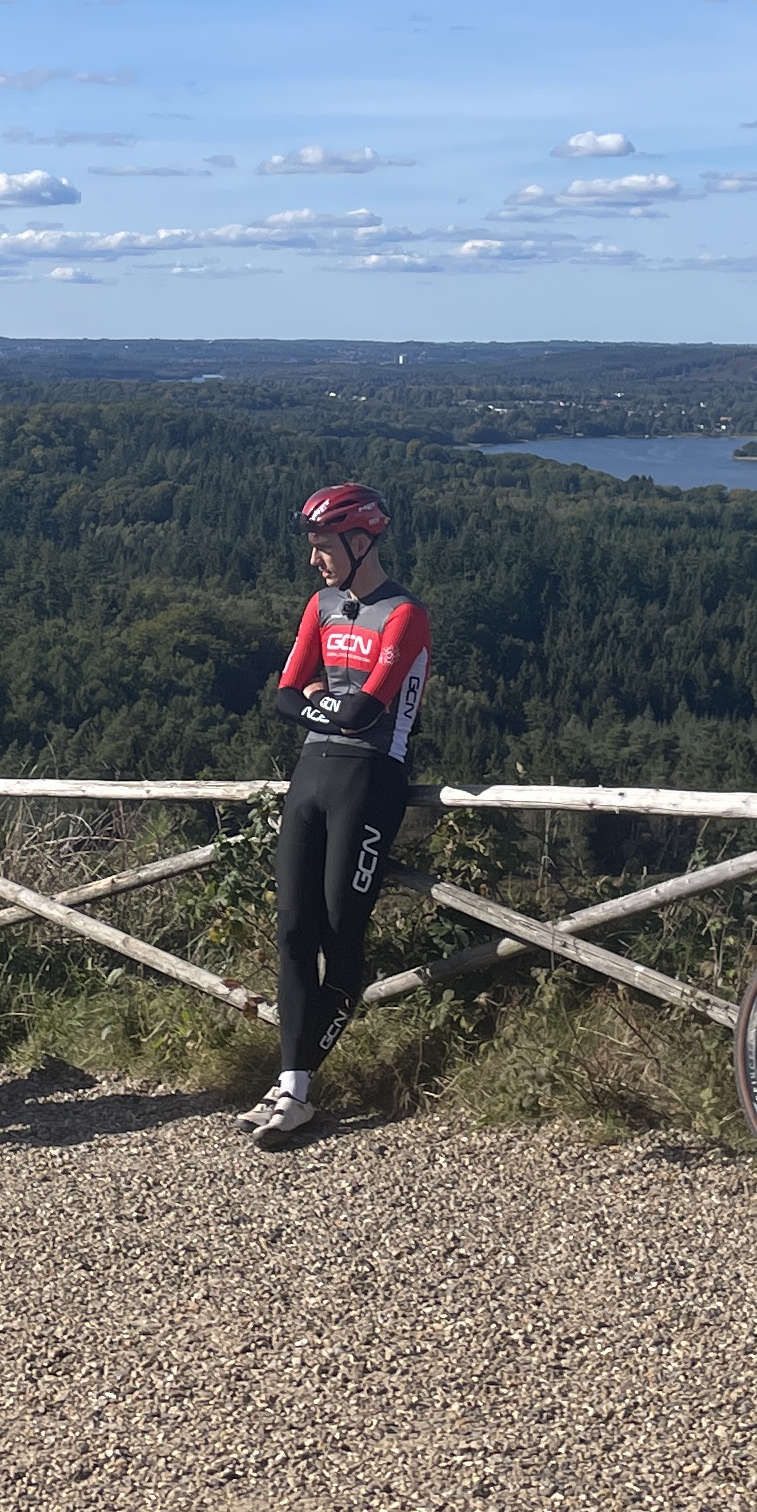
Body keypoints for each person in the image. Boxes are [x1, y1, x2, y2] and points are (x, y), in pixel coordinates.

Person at [243, 484, 432, 1148]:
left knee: (339, 937)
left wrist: (323, 700)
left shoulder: (404, 615)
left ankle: (297, 1086)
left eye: (323, 547)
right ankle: (291, 1086)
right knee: (293, 928)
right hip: (311, 775)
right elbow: (282, 698)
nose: (315, 561)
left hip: (370, 780)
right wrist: (325, 705)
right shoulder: (320, 608)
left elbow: (360, 713)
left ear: (361, 542)